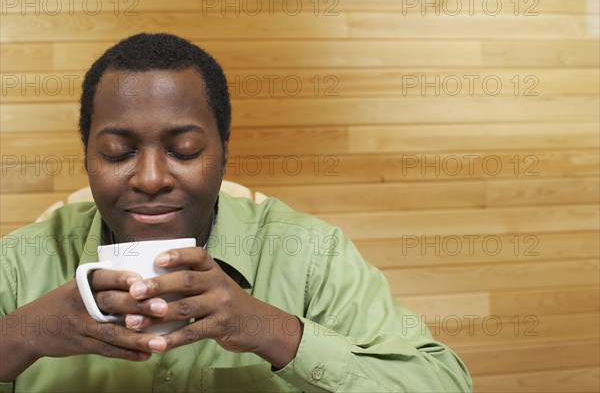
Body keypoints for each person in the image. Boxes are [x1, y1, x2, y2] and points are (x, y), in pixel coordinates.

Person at [0, 33, 472, 392]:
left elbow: (444, 382)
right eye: (117, 152)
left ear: (224, 152)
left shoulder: (310, 255)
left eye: (184, 150)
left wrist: (274, 332)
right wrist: (18, 338)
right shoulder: (19, 262)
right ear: (87, 155)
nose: (149, 179)